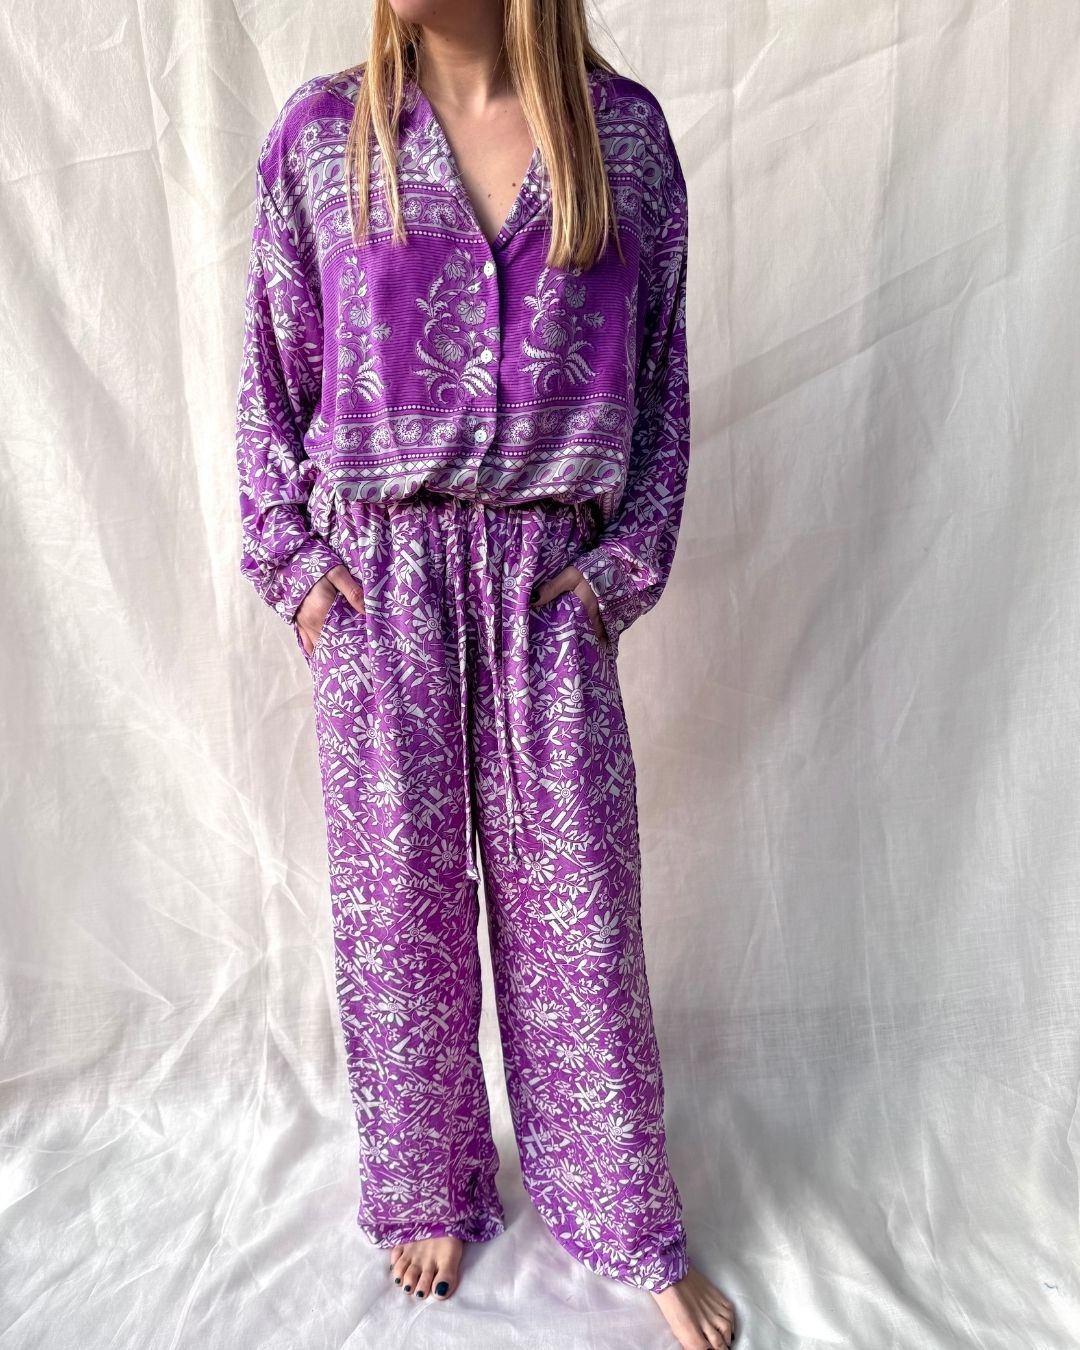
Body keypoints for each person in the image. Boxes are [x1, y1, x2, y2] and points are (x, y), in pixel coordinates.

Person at [234, 1, 735, 1346]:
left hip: (543, 586)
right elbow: (271, 379)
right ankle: (429, 1184)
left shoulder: (622, 146)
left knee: (579, 911)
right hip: (381, 582)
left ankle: (622, 1213)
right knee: (397, 906)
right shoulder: (323, 141)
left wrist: (618, 572)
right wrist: (299, 572)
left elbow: (663, 390)